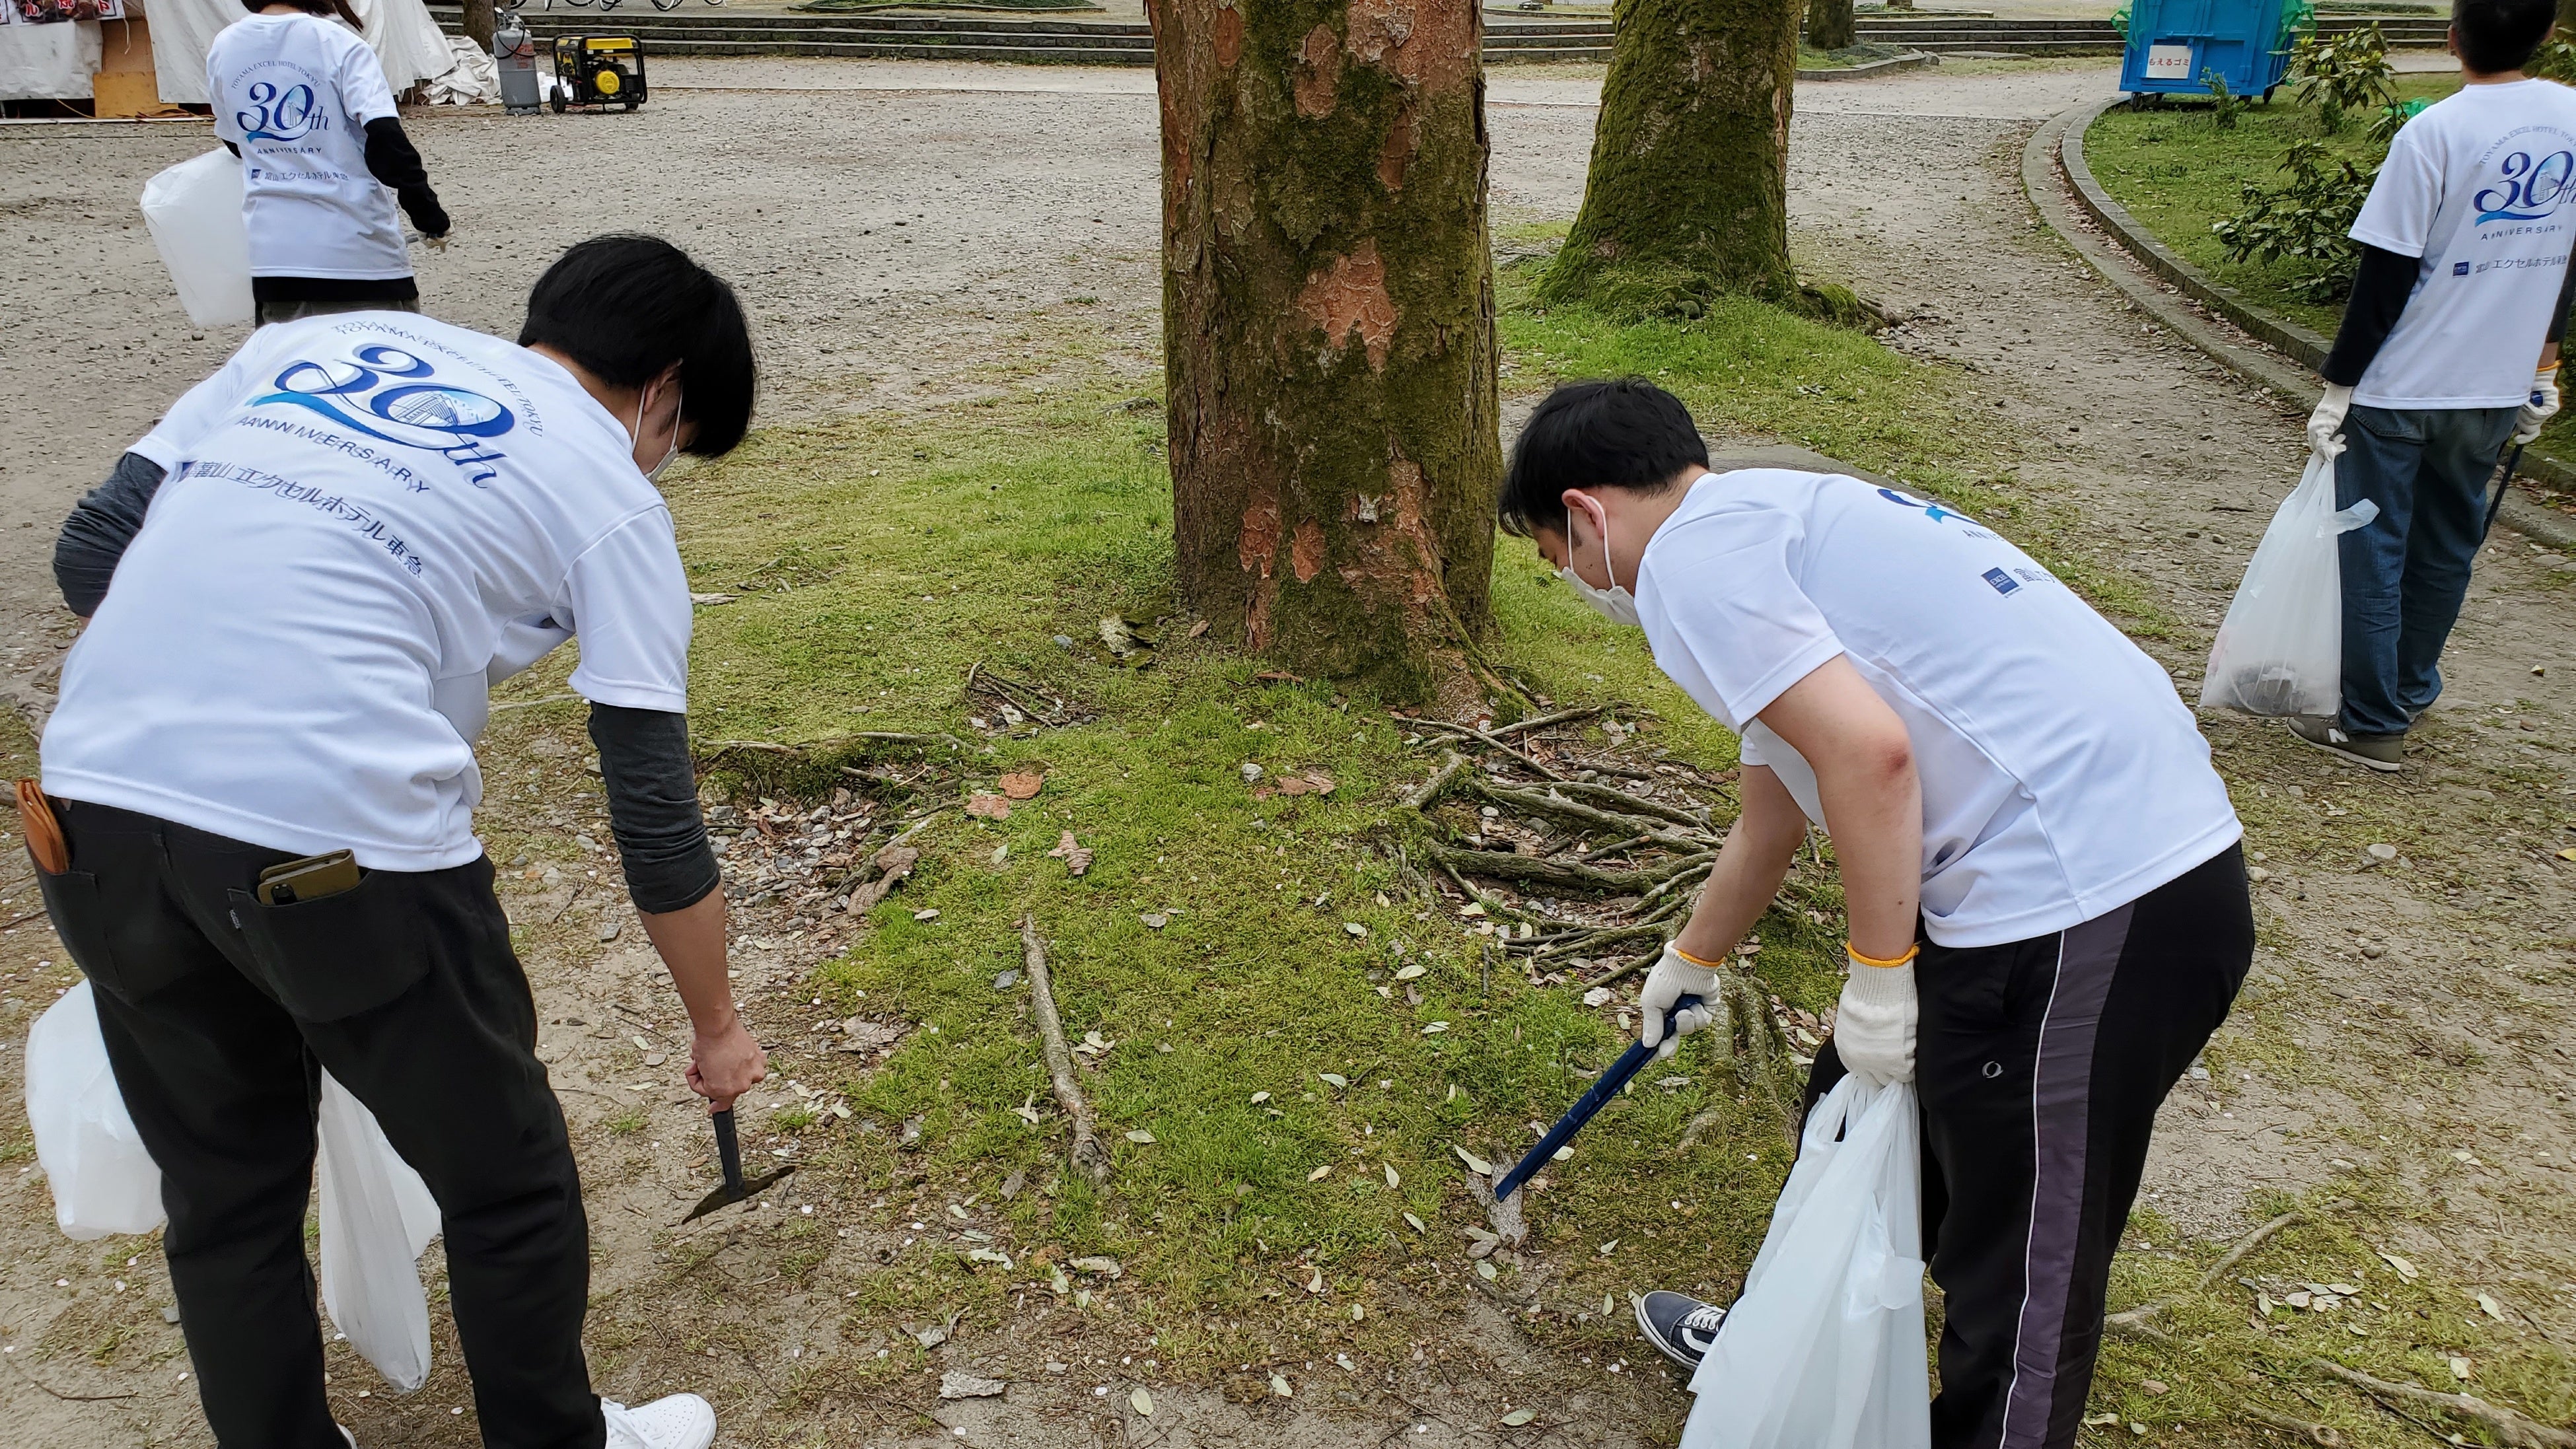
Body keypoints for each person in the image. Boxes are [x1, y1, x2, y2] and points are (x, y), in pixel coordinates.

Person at [33, 235, 758, 1449]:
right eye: (679, 436)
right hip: (336, 853)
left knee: (225, 1192)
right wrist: (718, 1022)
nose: (663, 460)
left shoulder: (305, 344)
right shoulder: (610, 496)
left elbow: (91, 548)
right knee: (508, 1181)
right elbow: (653, 809)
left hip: (92, 811)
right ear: (663, 392)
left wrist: (215, 694)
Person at [1499, 380, 2254, 1449]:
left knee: (2021, 1261)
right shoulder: (1769, 519)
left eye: (1556, 556)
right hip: (2043, 875)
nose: (1576, 582)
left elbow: (1872, 754)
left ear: (1585, 512)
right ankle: (1787, 1348)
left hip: (2103, 891)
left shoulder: (1689, 561)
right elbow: (1778, 806)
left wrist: (1880, 971)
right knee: (1852, 1113)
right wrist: (1691, 958)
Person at [2298, 0, 2576, 771]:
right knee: (2450, 544)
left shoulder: (2435, 133)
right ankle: (2409, 687)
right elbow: (2565, 260)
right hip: (2491, 387)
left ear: (2452, 38)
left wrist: (2338, 389)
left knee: (2372, 548)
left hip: (2400, 388)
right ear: (2549, 34)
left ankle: (2372, 720)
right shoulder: (2573, 118)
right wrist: (2543, 369)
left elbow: (2383, 276)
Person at [209, 0, 450, 326]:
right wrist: (427, 214)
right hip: (357, 250)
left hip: (274, 257)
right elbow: (385, 136)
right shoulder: (340, 44)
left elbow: (236, 141)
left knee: (292, 370)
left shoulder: (225, 46)